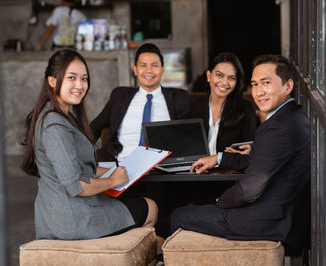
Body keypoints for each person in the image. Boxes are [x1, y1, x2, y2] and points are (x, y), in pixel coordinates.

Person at [21, 49, 164, 253]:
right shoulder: (54, 125)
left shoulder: (62, 116)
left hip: (66, 213)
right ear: (52, 80)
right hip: (71, 221)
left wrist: (111, 172)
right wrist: (113, 180)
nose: (79, 85)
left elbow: (76, 166)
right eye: (72, 78)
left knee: (144, 212)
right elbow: (76, 186)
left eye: (84, 78)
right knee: (150, 207)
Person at [170, 54, 311, 252]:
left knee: (178, 215)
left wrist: (220, 203)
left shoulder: (276, 127)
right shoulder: (293, 115)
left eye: (266, 83)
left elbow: (248, 191)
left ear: (288, 86)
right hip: (282, 215)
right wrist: (218, 158)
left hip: (266, 222)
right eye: (254, 84)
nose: (259, 92)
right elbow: (258, 159)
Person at [90, 43, 191, 161]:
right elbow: (93, 128)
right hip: (121, 164)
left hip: (161, 167)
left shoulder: (179, 98)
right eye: (143, 65)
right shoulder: (119, 96)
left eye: (154, 65)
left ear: (162, 69)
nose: (149, 71)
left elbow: (191, 137)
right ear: (135, 69)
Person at [189, 52, 257, 155]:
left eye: (231, 78)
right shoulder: (194, 107)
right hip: (197, 169)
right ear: (209, 76)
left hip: (230, 170)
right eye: (219, 75)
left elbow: (250, 151)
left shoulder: (245, 109)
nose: (225, 82)